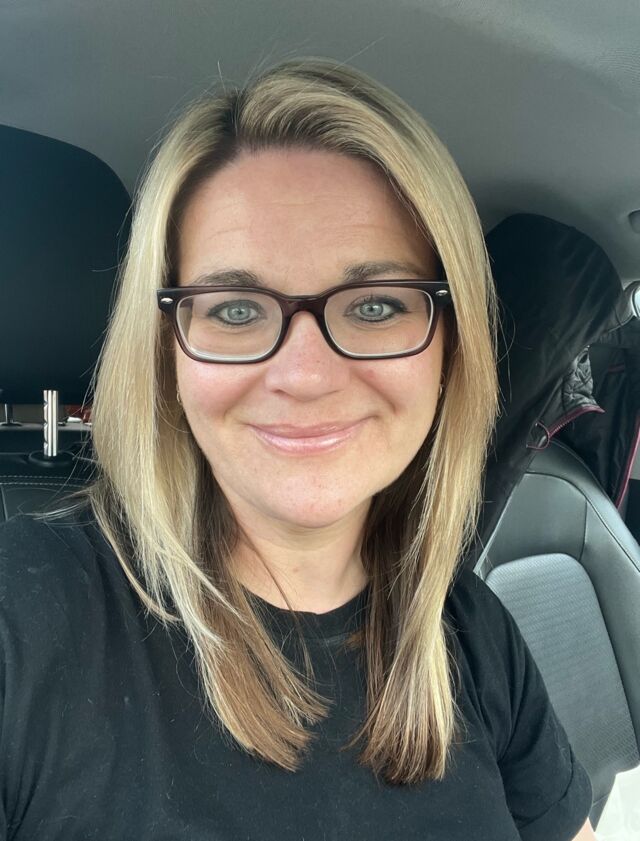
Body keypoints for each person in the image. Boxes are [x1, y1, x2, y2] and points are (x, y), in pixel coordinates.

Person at [0, 58, 596, 840]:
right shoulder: (24, 614)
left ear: (450, 349)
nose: (306, 375)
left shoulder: (473, 635)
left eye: (375, 305)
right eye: (236, 309)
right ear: (165, 350)